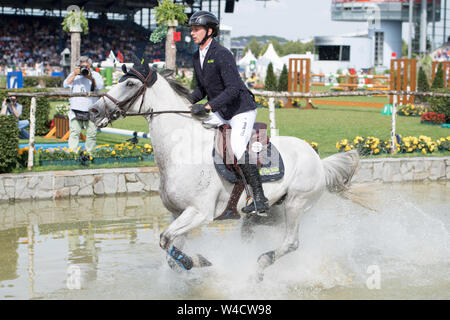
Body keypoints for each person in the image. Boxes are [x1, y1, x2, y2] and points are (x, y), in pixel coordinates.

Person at [188, 11, 270, 216]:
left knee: (237, 145)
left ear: (209, 31)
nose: (192, 33)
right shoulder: (196, 56)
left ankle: (259, 197)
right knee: (196, 127)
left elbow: (233, 89)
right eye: (191, 29)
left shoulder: (222, 54)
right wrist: (186, 102)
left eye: (196, 29)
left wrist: (207, 107)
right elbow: (201, 89)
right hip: (222, 110)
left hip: (240, 109)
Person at [63, 56, 104, 152]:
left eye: (86, 66)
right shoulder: (74, 74)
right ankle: (73, 152)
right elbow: (65, 84)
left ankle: (89, 152)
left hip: (92, 109)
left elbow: (100, 86)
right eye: (82, 66)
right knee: (74, 132)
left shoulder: (95, 75)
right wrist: (74, 74)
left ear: (90, 66)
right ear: (79, 66)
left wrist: (90, 77)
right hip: (76, 108)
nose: (84, 69)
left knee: (92, 133)